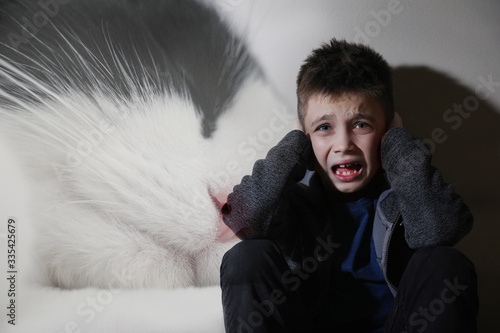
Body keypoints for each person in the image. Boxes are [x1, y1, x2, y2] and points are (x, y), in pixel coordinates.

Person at [219, 39, 478, 333]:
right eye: (324, 127)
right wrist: (293, 145)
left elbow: (441, 229)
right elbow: (243, 218)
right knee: (245, 258)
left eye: (361, 125)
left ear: (386, 130)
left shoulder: (410, 199)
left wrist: (397, 142)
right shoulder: (290, 206)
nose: (343, 144)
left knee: (443, 262)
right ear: (306, 138)